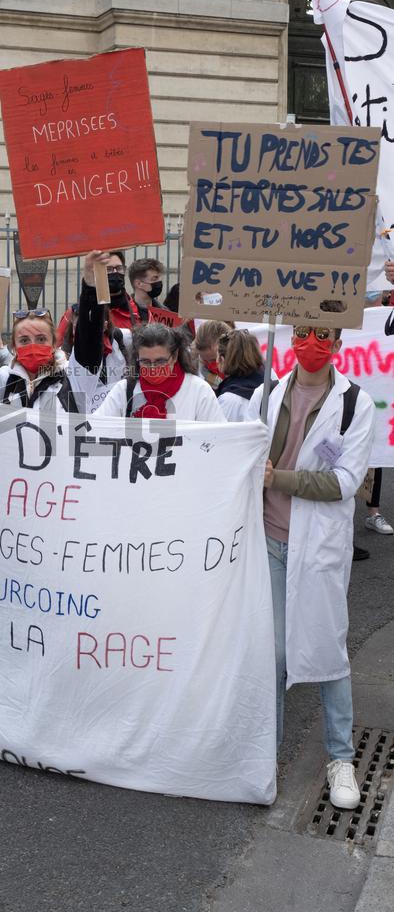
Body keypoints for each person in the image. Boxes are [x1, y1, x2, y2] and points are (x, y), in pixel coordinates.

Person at [249, 319, 375, 809]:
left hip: (317, 544)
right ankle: (267, 753)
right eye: (303, 333)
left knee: (328, 651)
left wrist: (278, 479)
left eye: (323, 336)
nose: (312, 345)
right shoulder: (270, 392)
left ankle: (340, 757)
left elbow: (345, 482)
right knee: (274, 654)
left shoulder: (352, 404)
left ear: (339, 344)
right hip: (268, 540)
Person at [0, 251, 106, 413]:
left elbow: (89, 340)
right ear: (14, 347)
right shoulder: (2, 382)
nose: (33, 346)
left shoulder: (74, 379)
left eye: (41, 339)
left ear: (53, 344)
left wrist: (91, 286)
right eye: (24, 340)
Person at [94, 322, 224, 421]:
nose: (152, 368)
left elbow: (217, 439)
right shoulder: (123, 390)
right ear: (137, 357)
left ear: (174, 356)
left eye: (160, 361)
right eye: (145, 361)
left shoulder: (199, 390)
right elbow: (98, 428)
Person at [215, 328, 271, 422]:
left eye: (216, 356)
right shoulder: (271, 379)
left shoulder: (229, 400)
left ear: (222, 359)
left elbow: (220, 434)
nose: (216, 361)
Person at [194, 320, 232, 390]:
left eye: (213, 360)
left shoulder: (243, 367)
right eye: (204, 360)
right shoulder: (200, 369)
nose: (209, 364)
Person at [128, 257, 168, 324]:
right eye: (154, 279)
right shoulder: (125, 313)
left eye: (159, 278)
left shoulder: (166, 313)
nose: (159, 282)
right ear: (139, 284)